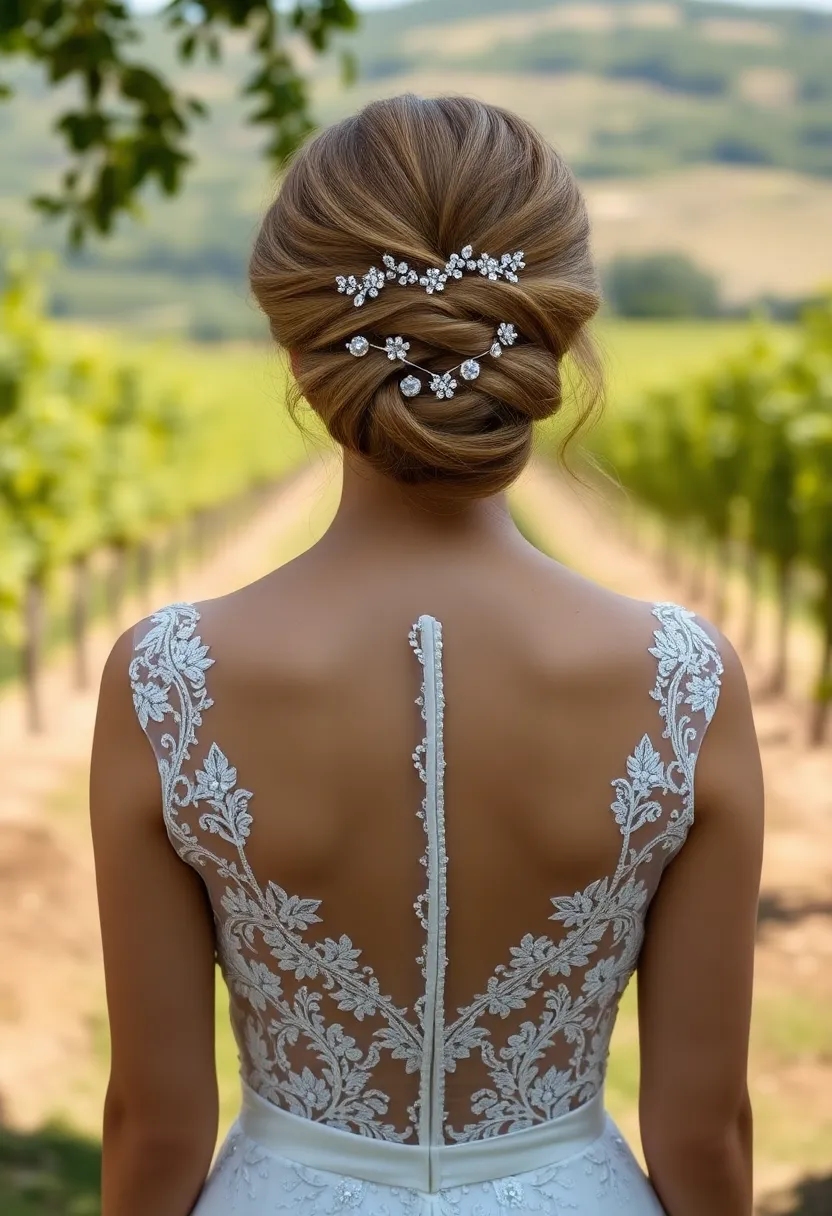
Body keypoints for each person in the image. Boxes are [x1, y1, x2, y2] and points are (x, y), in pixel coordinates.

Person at [90, 94, 764, 1216]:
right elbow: (705, 1132)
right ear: (551, 331)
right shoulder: (684, 680)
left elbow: (153, 1128)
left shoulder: (166, 678)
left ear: (298, 349)